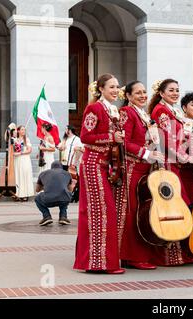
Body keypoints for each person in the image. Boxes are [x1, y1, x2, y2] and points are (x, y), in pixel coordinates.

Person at [73, 73, 125, 274]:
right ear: (101, 89)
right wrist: (112, 136)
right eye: (111, 87)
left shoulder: (113, 110)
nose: (115, 90)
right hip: (93, 162)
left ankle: (101, 261)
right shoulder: (94, 108)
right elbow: (86, 137)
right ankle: (98, 263)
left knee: (104, 211)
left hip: (106, 164)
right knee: (100, 212)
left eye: (117, 86)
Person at [147, 78, 193, 266]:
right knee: (174, 207)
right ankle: (170, 255)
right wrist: (187, 158)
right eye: (171, 90)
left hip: (174, 163)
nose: (176, 93)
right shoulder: (161, 111)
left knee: (179, 206)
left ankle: (179, 253)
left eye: (177, 90)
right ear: (161, 93)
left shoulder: (172, 111)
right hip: (167, 164)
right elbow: (166, 141)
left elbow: (179, 138)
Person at [115, 80, 165, 270]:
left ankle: (137, 254)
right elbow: (124, 142)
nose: (143, 95)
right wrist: (146, 153)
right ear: (128, 96)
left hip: (144, 169)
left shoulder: (143, 114)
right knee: (132, 212)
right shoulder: (127, 113)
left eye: (144, 92)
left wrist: (152, 150)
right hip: (131, 169)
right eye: (138, 93)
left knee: (142, 212)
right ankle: (130, 255)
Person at [35, 161, 76, 226]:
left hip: (48, 200)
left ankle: (46, 216)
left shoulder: (43, 173)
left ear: (51, 167)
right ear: (61, 167)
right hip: (63, 200)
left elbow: (37, 190)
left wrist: (47, 186)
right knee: (66, 194)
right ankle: (63, 217)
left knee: (37, 198)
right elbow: (70, 189)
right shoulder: (67, 174)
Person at [57, 125, 84, 202]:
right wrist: (61, 147)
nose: (65, 131)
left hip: (72, 163)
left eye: (66, 129)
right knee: (65, 179)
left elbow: (81, 149)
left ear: (70, 130)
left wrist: (75, 162)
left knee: (73, 180)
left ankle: (75, 195)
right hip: (64, 162)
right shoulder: (65, 139)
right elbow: (59, 147)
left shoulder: (76, 139)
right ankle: (66, 195)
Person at [13, 125, 35, 202]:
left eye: (24, 130)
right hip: (17, 160)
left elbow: (29, 150)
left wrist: (20, 153)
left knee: (25, 175)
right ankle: (18, 194)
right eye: (22, 130)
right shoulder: (15, 140)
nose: (23, 131)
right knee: (18, 175)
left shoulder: (27, 140)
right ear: (18, 131)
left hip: (25, 159)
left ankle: (25, 194)